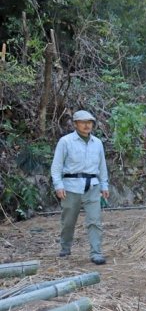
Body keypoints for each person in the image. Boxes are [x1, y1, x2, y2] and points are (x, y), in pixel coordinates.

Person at [50, 110, 110, 265]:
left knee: (94, 220)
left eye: (89, 122)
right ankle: (65, 247)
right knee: (68, 220)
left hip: (93, 186)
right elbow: (56, 166)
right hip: (71, 187)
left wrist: (104, 185)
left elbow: (102, 166)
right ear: (75, 124)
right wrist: (58, 185)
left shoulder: (97, 143)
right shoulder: (65, 141)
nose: (86, 125)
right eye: (83, 122)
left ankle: (96, 252)